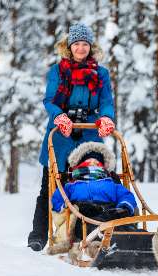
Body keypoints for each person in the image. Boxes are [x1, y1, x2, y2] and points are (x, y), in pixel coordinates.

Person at [28, 23, 116, 251]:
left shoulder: (101, 73)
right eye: (76, 44)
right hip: (60, 136)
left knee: (92, 183)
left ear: (90, 47)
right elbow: (50, 100)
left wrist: (106, 118)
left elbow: (106, 101)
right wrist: (59, 116)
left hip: (89, 133)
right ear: (69, 47)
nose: (80, 48)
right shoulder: (58, 71)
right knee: (50, 186)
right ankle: (39, 235)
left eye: (84, 44)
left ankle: (87, 232)